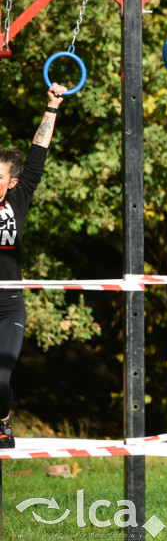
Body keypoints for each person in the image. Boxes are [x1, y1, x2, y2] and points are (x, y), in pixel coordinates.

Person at [0, 82, 67, 448]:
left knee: (0, 380)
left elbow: (38, 151)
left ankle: (4, 422)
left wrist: (52, 106)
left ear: (10, 183)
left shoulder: (19, 198)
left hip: (9, 304)